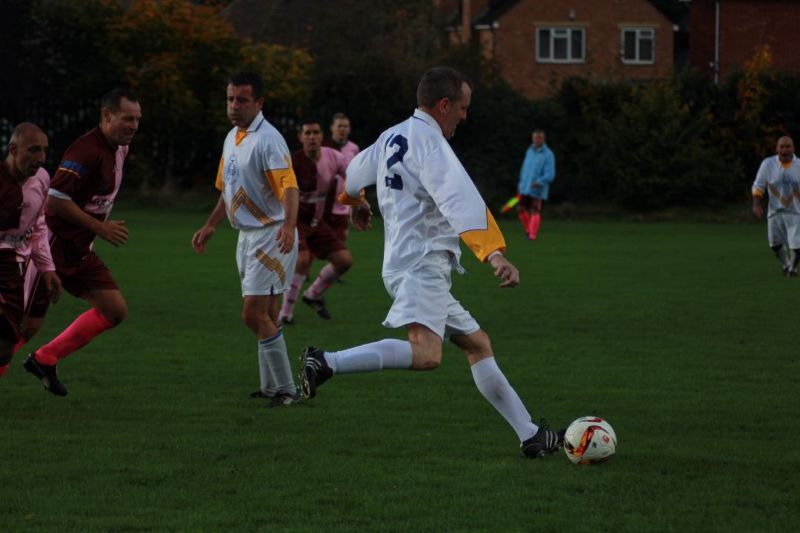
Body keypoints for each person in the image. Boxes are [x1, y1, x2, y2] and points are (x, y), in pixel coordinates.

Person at [299, 67, 564, 458]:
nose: (464, 115)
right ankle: (326, 362)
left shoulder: (394, 134)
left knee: (477, 344)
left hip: (409, 264)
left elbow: (355, 173)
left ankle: (530, 435)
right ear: (444, 105)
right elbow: (460, 198)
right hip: (421, 265)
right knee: (426, 354)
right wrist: (494, 254)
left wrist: (356, 202)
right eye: (462, 107)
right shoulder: (431, 144)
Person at [192, 72, 301, 406]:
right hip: (247, 236)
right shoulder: (233, 137)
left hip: (270, 234)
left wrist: (288, 226)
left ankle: (287, 390)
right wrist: (211, 224)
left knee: (252, 315)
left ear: (259, 103)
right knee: (265, 313)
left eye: (242, 100)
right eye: (230, 99)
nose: (234, 106)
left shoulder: (268, 139)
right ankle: (271, 388)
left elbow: (290, 186)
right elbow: (229, 190)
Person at [22, 90, 141, 396]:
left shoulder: (120, 148)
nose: (133, 125)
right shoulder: (85, 151)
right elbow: (55, 201)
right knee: (24, 328)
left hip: (79, 251)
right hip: (53, 248)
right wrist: (98, 227)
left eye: (137, 120)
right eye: (127, 118)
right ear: (106, 116)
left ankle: (45, 359)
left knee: (114, 310)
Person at [0, 123, 61, 379]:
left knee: (5, 347)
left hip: (13, 270)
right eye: (34, 150)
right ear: (13, 149)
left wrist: (47, 268)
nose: (41, 158)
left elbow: (38, 225)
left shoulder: (42, 179)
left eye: (44, 151)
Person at [278, 118, 352, 324]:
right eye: (307, 133)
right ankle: (285, 314)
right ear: (301, 137)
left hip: (317, 222)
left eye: (315, 133)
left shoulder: (334, 157)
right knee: (302, 260)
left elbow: (352, 177)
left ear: (322, 136)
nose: (312, 137)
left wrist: (358, 202)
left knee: (344, 260)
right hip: (295, 221)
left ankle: (312, 295)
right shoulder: (292, 162)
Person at [752, 135, 800, 276]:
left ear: (793, 148)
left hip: (795, 212)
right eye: (781, 147)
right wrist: (756, 204)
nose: (784, 150)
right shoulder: (768, 164)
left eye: (788, 146)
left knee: (797, 248)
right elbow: (758, 185)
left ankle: (792, 269)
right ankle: (786, 265)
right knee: (775, 245)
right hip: (775, 212)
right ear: (777, 148)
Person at [321, 112, 360, 242]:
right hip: (324, 202)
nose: (342, 129)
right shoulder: (323, 147)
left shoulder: (353, 149)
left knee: (341, 240)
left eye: (345, 126)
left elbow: (356, 176)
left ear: (349, 129)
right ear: (332, 128)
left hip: (343, 203)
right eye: (339, 126)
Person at [517, 129, 555, 240]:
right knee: (520, 209)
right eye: (535, 138)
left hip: (537, 189)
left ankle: (532, 236)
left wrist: (539, 182)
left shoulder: (548, 154)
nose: (537, 140)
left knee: (535, 210)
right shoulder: (530, 151)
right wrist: (520, 183)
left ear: (543, 139)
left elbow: (550, 174)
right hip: (525, 187)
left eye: (539, 138)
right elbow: (524, 169)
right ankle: (529, 230)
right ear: (532, 139)